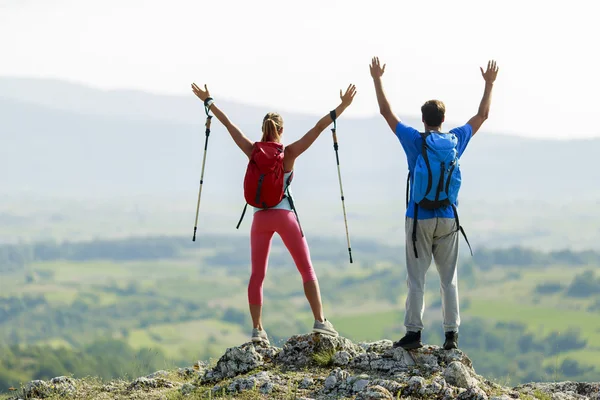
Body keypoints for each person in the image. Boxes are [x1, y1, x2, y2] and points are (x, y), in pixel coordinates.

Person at [191, 82, 357, 344]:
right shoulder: (288, 153)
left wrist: (208, 102)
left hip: (259, 218)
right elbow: (318, 127)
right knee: (306, 270)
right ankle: (320, 321)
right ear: (281, 130)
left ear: (263, 130)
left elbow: (229, 125)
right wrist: (343, 107)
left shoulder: (252, 152)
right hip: (284, 215)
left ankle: (257, 330)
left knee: (257, 275)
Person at [369, 57, 499, 350]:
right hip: (449, 218)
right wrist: (489, 83)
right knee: (448, 279)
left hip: (419, 218)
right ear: (443, 119)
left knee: (416, 279)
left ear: (424, 120)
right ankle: (451, 336)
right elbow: (482, 115)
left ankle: (413, 334)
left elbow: (385, 112)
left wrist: (377, 78)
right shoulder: (455, 140)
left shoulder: (415, 140)